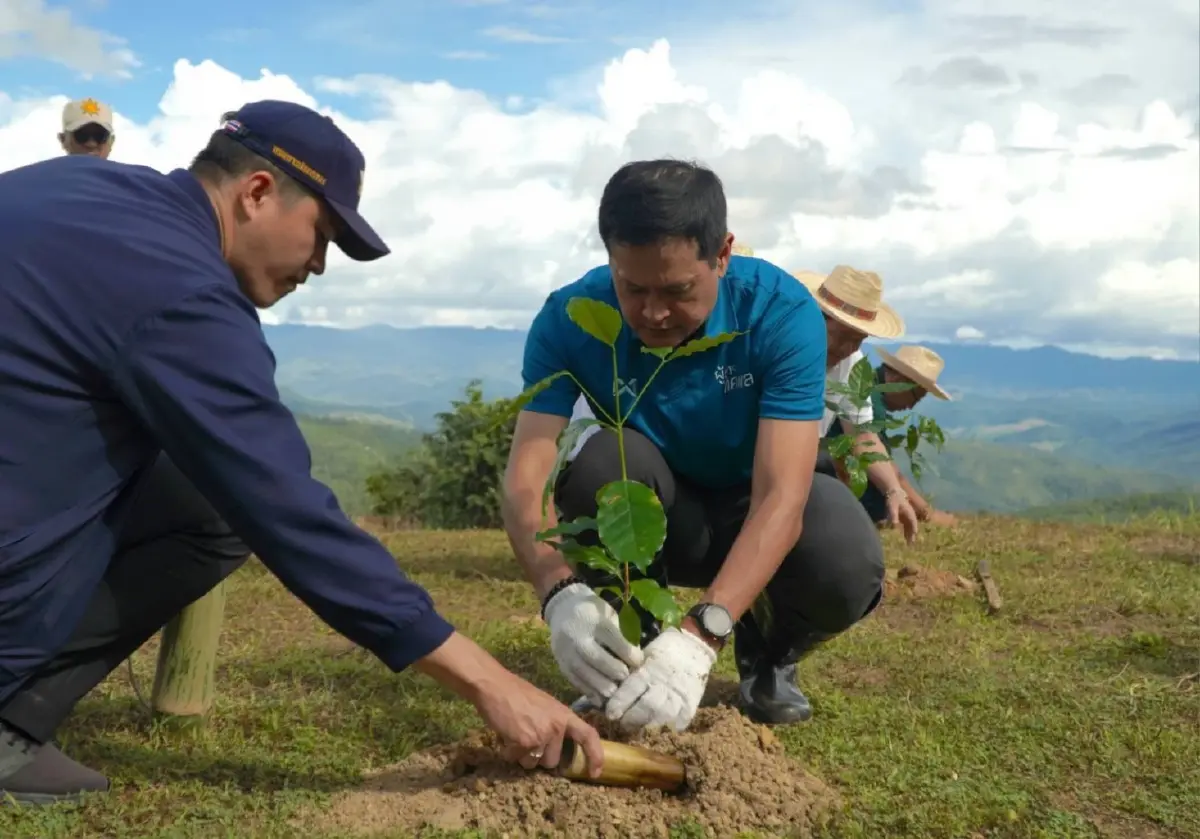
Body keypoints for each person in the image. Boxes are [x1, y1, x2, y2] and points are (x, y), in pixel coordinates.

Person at [0, 99, 604, 806]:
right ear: (257, 192)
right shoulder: (181, 289)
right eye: (321, 235)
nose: (317, 266)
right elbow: (287, 509)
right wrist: (489, 680)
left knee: (201, 498)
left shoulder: (78, 188)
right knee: (229, 505)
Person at [500, 159, 887, 734]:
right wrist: (558, 591)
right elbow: (526, 476)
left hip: (753, 509)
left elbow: (783, 493)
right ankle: (631, 649)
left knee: (846, 556)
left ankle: (768, 650)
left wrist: (703, 634)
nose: (653, 313)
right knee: (603, 460)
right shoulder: (573, 317)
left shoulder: (779, 314)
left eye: (678, 290)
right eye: (632, 288)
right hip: (660, 511)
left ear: (723, 254)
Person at [792, 268, 921, 544]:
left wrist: (893, 491)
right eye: (841, 335)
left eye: (858, 339)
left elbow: (862, 436)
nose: (848, 348)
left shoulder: (852, 365)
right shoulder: (780, 348)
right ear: (816, 317)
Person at [826, 345, 958, 527]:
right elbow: (885, 463)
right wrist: (927, 513)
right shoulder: (870, 399)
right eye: (914, 396)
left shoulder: (867, 385)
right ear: (896, 378)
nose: (911, 406)